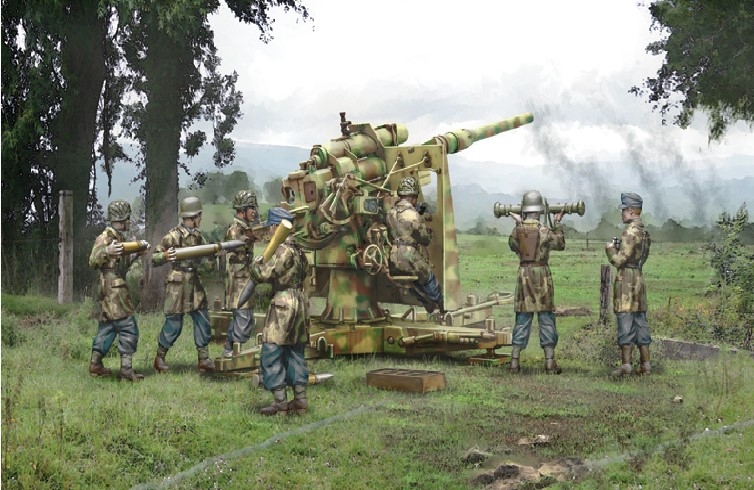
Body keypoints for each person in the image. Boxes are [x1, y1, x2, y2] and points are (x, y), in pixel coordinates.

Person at [250, 207, 310, 415]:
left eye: (271, 227)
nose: (269, 231)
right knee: (295, 351)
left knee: (272, 350)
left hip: (283, 303)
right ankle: (300, 400)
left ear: (276, 227)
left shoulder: (283, 249)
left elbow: (266, 274)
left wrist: (256, 265)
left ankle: (280, 402)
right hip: (300, 301)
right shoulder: (299, 250)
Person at [151, 196, 217, 374]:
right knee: (174, 324)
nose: (200, 219)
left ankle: (204, 359)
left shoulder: (199, 238)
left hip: (194, 282)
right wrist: (165, 256)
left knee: (202, 318)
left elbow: (207, 267)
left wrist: (212, 256)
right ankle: (160, 357)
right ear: (192, 217)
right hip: (177, 284)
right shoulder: (173, 236)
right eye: (199, 216)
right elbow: (155, 258)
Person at [88, 200, 148, 381]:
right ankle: (126, 370)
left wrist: (137, 253)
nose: (130, 221)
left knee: (107, 327)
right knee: (128, 327)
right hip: (113, 290)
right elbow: (92, 261)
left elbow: (122, 264)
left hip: (113, 287)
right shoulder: (105, 238)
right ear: (122, 219)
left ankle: (95, 365)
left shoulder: (119, 238)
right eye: (128, 218)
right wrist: (107, 250)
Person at [507, 190, 566, 374]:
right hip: (542, 275)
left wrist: (519, 224)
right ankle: (549, 362)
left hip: (524, 275)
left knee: (522, 317)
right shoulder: (545, 230)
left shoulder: (517, 230)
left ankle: (514, 362)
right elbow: (560, 244)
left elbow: (513, 245)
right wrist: (557, 223)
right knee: (546, 316)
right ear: (540, 211)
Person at [606, 192, 652, 376]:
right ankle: (645, 364)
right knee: (640, 320)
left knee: (625, 319)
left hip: (626, 279)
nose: (622, 213)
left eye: (624, 210)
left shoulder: (630, 232)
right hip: (638, 277)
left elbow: (620, 260)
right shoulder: (644, 232)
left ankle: (626, 365)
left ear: (632, 211)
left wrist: (610, 250)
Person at [386, 176, 445, 314]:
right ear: (413, 197)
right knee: (427, 275)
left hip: (393, 256)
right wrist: (427, 230)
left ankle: (425, 300)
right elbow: (424, 239)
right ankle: (440, 302)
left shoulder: (390, 213)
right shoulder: (413, 214)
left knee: (409, 280)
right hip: (409, 255)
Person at [221, 190, 259, 357]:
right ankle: (233, 353)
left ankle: (229, 349)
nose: (254, 212)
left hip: (245, 279)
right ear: (242, 210)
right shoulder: (235, 230)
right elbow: (239, 246)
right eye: (251, 208)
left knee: (246, 318)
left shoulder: (244, 228)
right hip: (238, 281)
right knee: (243, 319)